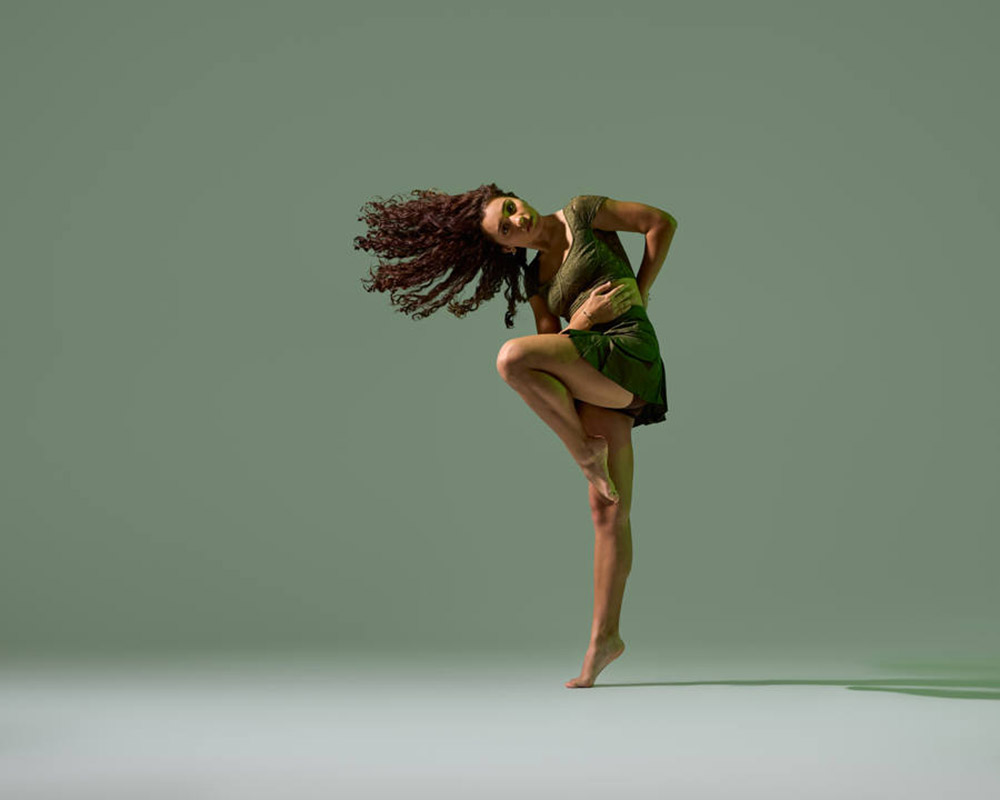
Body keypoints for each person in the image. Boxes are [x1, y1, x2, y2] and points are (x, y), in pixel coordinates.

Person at [354, 183, 678, 688]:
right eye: (505, 229)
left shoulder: (584, 212)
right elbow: (551, 351)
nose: (516, 221)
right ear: (506, 246)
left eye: (510, 209)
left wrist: (641, 289)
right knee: (608, 511)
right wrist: (582, 325)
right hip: (591, 361)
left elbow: (660, 222)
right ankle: (604, 641)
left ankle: (582, 452)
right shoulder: (535, 280)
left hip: (629, 349)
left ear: (516, 197)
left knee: (511, 358)